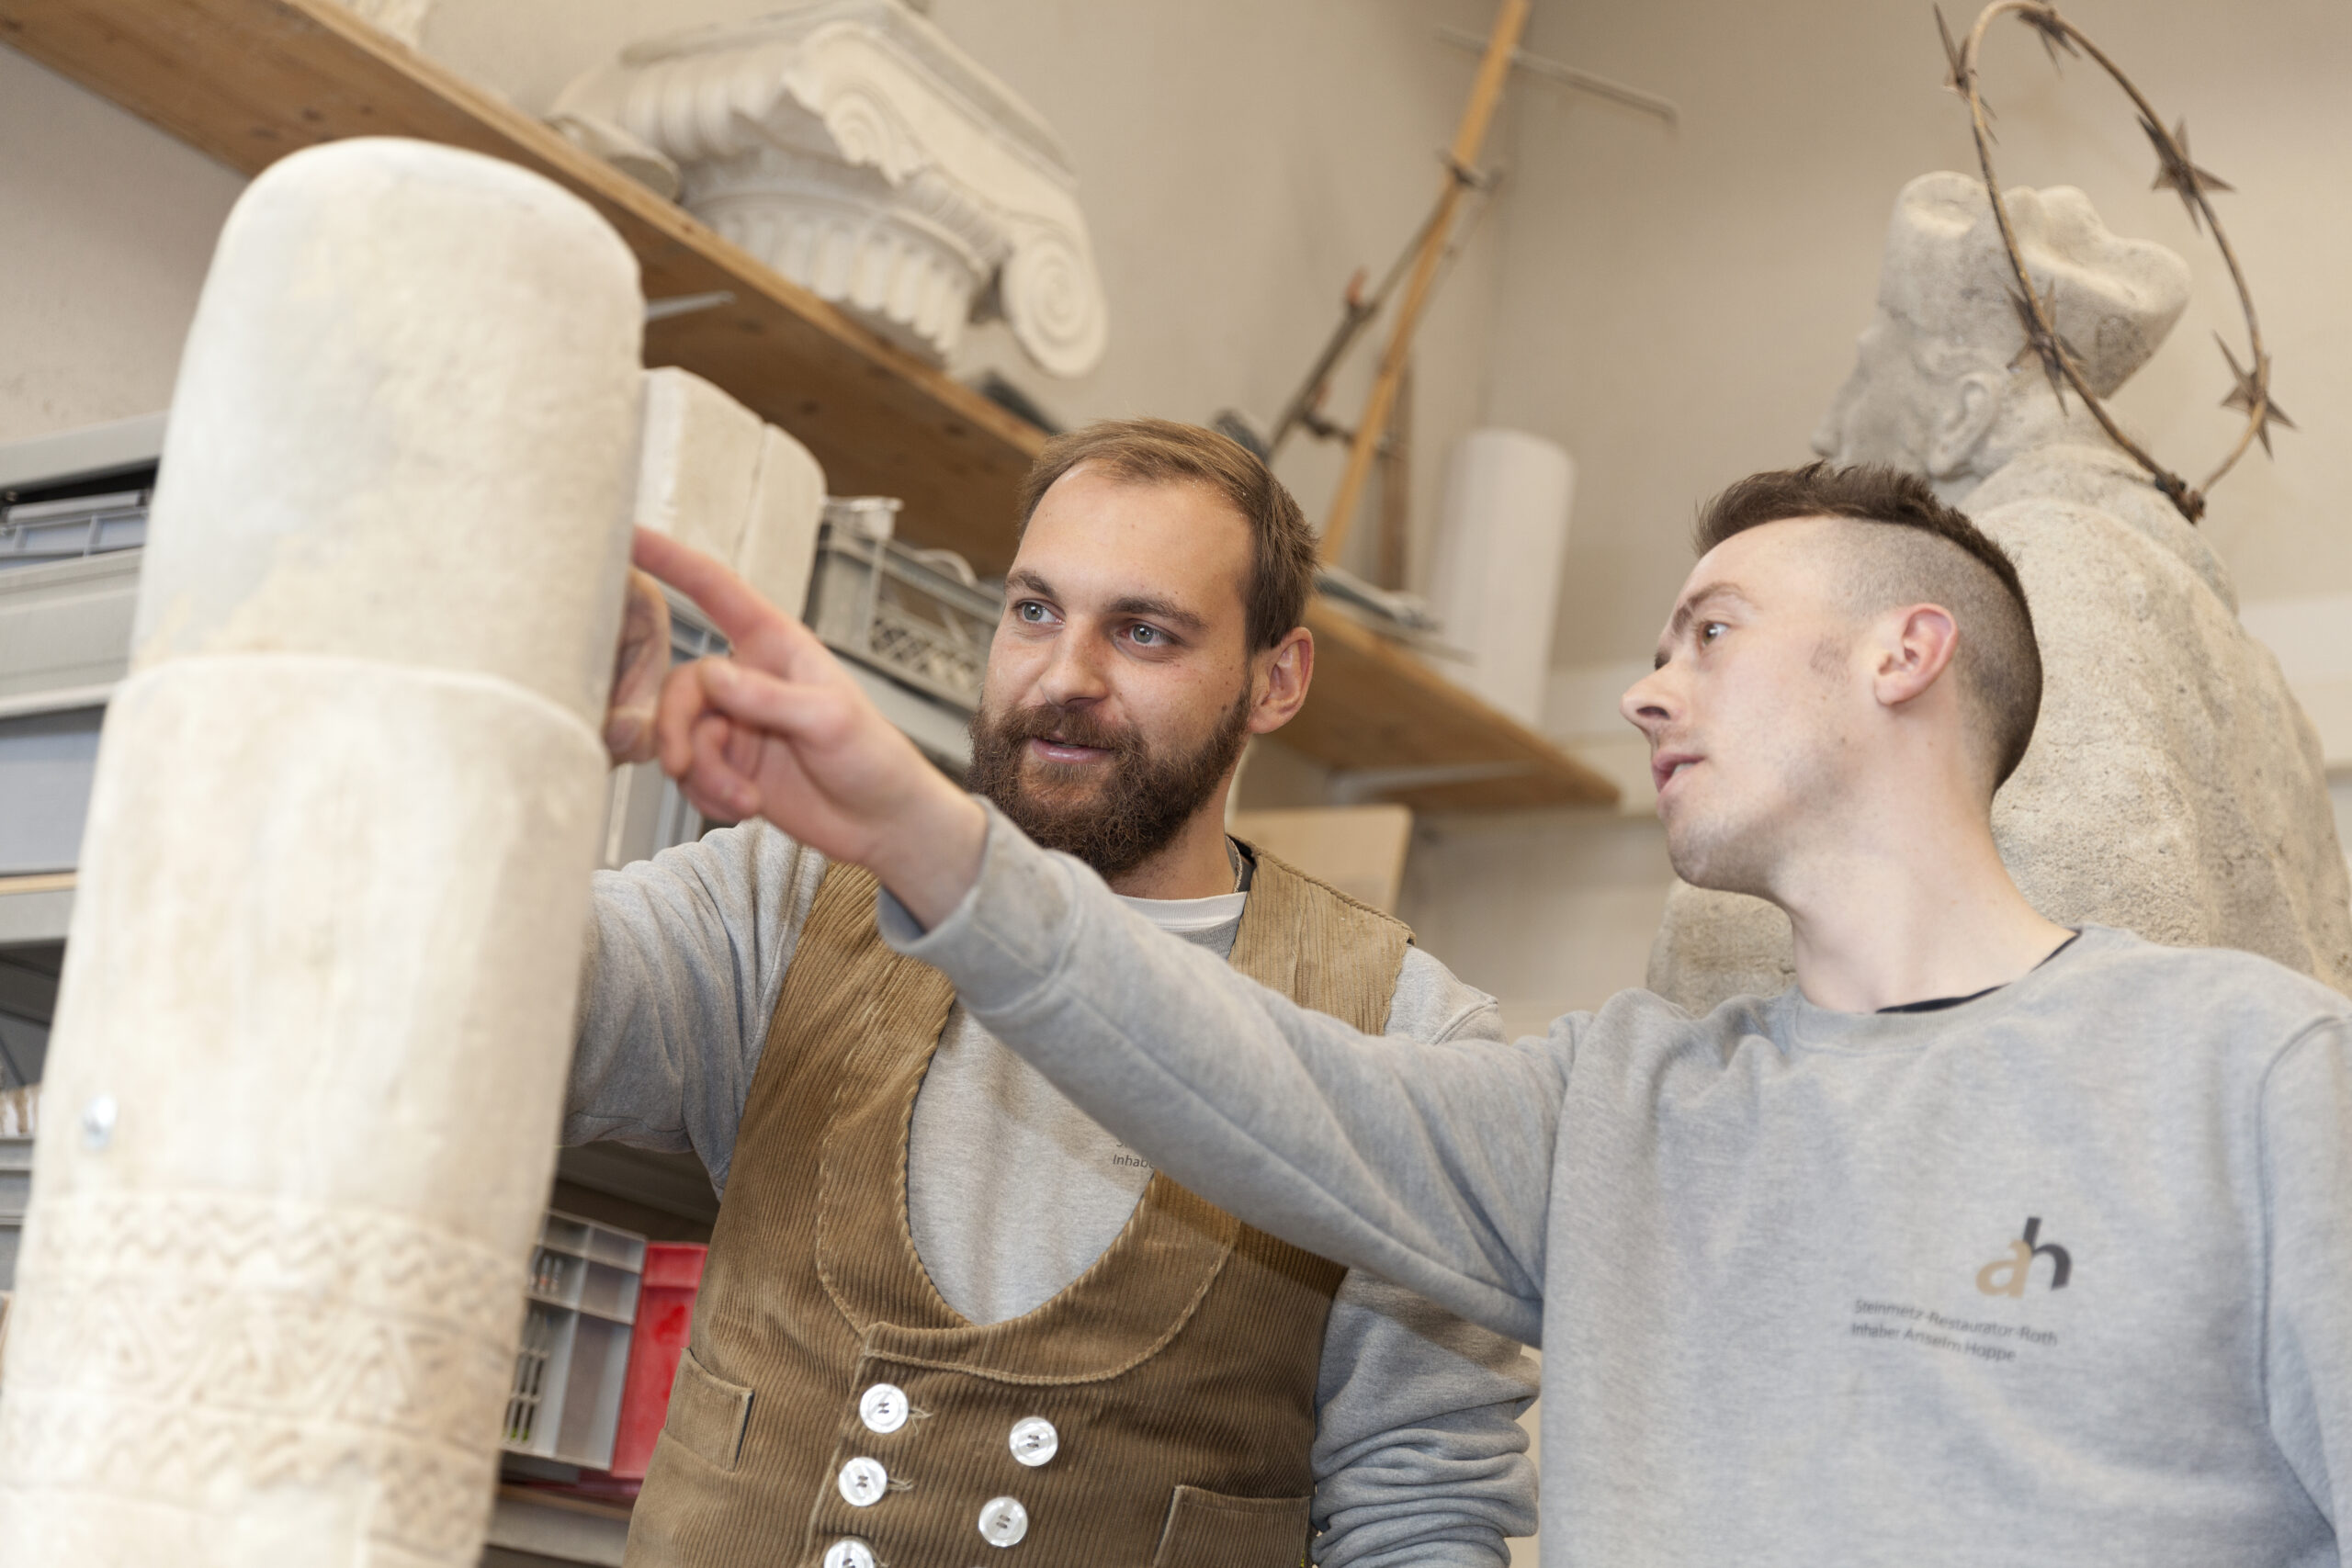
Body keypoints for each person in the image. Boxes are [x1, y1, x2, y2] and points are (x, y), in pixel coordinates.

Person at [636, 459, 2352, 1565]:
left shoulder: (2248, 1070)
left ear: (1903, 653)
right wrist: (909, 821)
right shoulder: (1611, 1109)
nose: (1643, 686)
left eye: (1711, 629)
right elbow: (1228, 1067)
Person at [579, 419, 1538, 1568]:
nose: (1064, 677)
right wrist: (532, 732)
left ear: (1275, 681)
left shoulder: (1412, 1035)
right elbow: (529, 1022)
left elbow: (1417, 1516)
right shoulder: (783, 894)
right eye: (1034, 610)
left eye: (1142, 632)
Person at [1657, 172, 2351, 1010]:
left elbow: (2040, 975)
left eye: (1868, 372)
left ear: (1964, 411)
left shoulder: (2042, 572)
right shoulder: (2246, 662)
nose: (1830, 426)